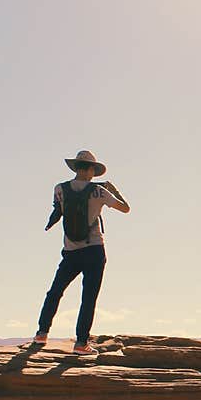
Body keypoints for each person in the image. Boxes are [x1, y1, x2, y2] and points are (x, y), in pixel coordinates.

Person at [32, 149, 130, 354]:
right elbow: (125, 208)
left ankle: (42, 333)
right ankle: (81, 343)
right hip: (94, 250)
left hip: (70, 250)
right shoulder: (100, 192)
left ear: (76, 168)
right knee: (88, 297)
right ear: (92, 170)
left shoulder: (59, 189)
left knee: (55, 291)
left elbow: (58, 209)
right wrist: (114, 190)